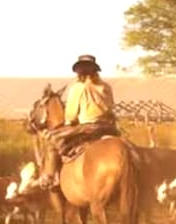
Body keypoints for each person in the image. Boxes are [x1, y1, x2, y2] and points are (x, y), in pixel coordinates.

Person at [38, 54, 119, 189]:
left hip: (88, 127)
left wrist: (68, 124)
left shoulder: (78, 88)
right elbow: (111, 106)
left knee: (53, 140)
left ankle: (50, 177)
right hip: (108, 127)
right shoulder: (106, 87)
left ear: (80, 71)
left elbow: (70, 116)